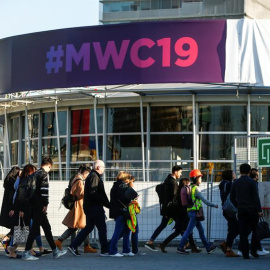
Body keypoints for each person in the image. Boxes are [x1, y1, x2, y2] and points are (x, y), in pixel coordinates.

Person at [22, 157, 67, 260]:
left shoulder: (36, 173)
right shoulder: (44, 174)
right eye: (50, 168)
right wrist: (45, 204)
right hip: (39, 205)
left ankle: (55, 251)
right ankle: (26, 252)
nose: (50, 170)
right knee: (35, 229)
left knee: (46, 227)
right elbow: (44, 190)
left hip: (33, 204)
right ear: (49, 165)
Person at [68, 160, 110, 257]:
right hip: (95, 207)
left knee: (88, 228)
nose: (103, 169)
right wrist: (104, 203)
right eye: (103, 167)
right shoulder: (95, 177)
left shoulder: (92, 176)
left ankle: (74, 245)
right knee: (102, 228)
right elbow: (94, 192)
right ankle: (105, 250)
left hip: (90, 207)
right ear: (98, 167)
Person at [55, 165, 97, 253]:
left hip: (78, 206)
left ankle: (85, 245)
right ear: (85, 173)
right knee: (80, 226)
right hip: (79, 206)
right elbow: (81, 194)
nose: (87, 176)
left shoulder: (75, 178)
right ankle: (62, 241)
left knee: (81, 226)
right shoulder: (79, 181)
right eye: (87, 174)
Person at [177, 169, 218, 255]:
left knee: (201, 230)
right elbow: (204, 200)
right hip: (195, 213)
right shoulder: (196, 189)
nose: (201, 179)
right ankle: (180, 247)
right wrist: (213, 205)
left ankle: (208, 247)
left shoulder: (190, 186)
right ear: (196, 178)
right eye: (200, 177)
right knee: (188, 231)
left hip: (192, 212)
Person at [145, 165, 182, 251]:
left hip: (167, 208)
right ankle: (187, 243)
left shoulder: (168, 180)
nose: (180, 174)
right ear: (175, 172)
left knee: (164, 225)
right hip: (171, 209)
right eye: (180, 172)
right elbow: (174, 196)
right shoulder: (172, 182)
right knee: (180, 224)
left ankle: (150, 241)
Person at [158, 178, 200, 253]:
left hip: (179, 216)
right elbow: (185, 204)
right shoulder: (184, 192)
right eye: (188, 183)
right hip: (183, 216)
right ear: (185, 183)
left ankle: (164, 244)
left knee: (183, 231)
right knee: (185, 231)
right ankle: (185, 246)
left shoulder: (178, 192)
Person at [230, 163, 263, 259]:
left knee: (243, 232)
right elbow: (256, 197)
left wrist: (238, 206)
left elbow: (232, 198)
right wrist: (259, 210)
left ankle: (245, 253)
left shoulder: (235, 183)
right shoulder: (252, 182)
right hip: (252, 210)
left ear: (240, 171)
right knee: (255, 230)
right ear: (249, 171)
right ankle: (253, 251)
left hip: (241, 210)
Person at [109, 171, 138, 257]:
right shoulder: (122, 186)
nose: (129, 180)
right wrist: (131, 187)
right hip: (122, 212)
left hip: (119, 212)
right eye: (128, 179)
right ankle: (113, 250)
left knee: (126, 231)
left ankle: (126, 249)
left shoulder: (115, 186)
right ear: (125, 179)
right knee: (119, 231)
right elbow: (131, 196)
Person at [218, 170, 239, 257]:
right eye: (233, 173)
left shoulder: (223, 183)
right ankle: (228, 248)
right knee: (235, 228)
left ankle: (227, 245)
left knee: (232, 227)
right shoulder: (229, 184)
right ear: (229, 175)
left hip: (226, 208)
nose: (234, 174)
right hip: (230, 208)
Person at [0, 166, 21, 252]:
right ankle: (6, 241)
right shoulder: (13, 182)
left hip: (7, 208)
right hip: (12, 208)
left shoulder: (8, 181)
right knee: (15, 227)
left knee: (15, 227)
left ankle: (9, 246)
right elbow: (13, 197)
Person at [249, 168, 269, 256]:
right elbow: (256, 199)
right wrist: (259, 210)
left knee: (249, 230)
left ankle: (256, 249)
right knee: (255, 230)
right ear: (256, 176)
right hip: (254, 210)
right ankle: (255, 249)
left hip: (245, 210)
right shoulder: (255, 184)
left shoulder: (243, 183)